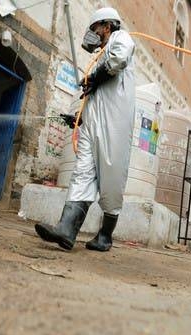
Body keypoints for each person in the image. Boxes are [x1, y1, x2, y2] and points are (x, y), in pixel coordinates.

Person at [34, 7, 135, 252]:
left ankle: (105, 235)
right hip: (92, 123)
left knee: (111, 180)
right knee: (82, 173)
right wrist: (78, 119)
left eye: (94, 28)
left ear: (107, 25)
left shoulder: (121, 39)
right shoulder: (99, 55)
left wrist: (95, 77)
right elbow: (96, 95)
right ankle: (66, 230)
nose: (92, 34)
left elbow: (118, 61)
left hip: (115, 125)